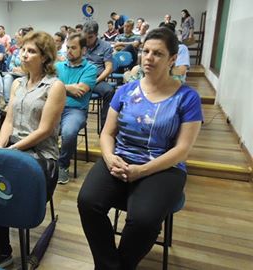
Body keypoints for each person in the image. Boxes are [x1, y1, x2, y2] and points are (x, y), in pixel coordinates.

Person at [77, 27, 203, 270]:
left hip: (164, 166)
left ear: (173, 59)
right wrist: (109, 157)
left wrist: (142, 171)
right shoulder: (124, 91)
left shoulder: (187, 97)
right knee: (88, 202)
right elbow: (107, 133)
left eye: (157, 53)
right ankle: (108, 265)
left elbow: (182, 150)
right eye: (146, 51)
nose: (148, 58)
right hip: (121, 156)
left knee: (144, 220)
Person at [0, 31, 66, 267]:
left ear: (45, 57)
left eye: (31, 51)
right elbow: (8, 121)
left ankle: (2, 244)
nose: (24, 55)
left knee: (3, 182)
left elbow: (45, 130)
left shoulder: (55, 86)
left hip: (41, 155)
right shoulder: (17, 82)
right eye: (23, 50)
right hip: (12, 148)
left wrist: (10, 151)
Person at [55, 32, 97, 184]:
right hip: (55, 107)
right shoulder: (57, 66)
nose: (68, 51)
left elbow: (80, 91)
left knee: (69, 132)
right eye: (67, 47)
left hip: (75, 110)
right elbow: (48, 87)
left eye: (73, 48)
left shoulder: (90, 69)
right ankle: (46, 161)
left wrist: (58, 87)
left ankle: (62, 165)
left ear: (84, 50)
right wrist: (67, 88)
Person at [83, 20, 115, 129]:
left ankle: (105, 128)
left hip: (97, 79)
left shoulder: (105, 46)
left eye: (90, 37)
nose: (87, 40)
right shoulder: (80, 44)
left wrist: (95, 81)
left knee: (110, 91)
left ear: (96, 35)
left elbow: (109, 68)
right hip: (80, 77)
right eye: (85, 37)